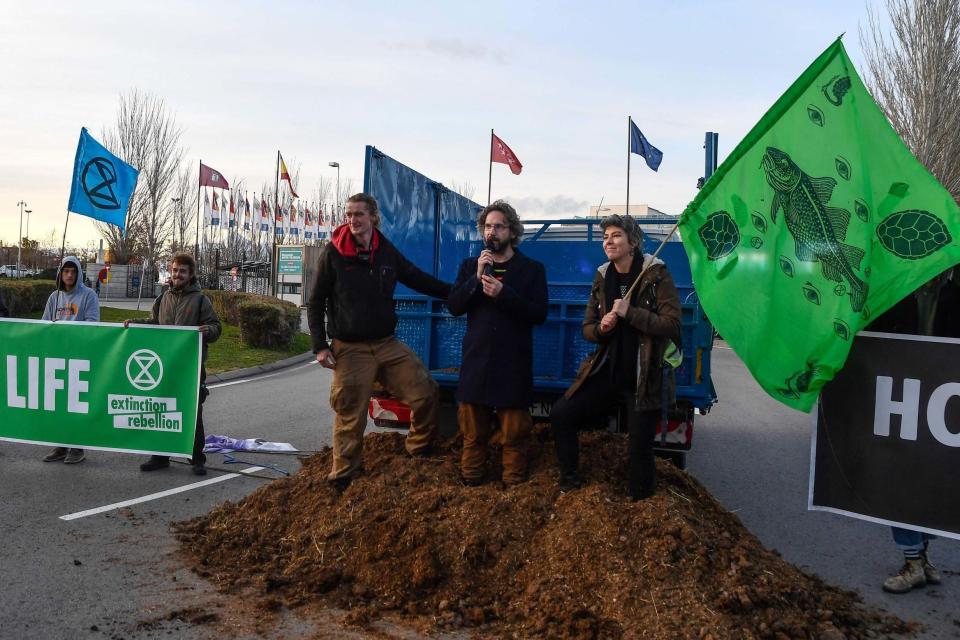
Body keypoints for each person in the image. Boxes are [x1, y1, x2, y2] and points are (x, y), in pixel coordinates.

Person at [308, 193, 451, 493]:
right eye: (349, 214)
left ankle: (417, 449)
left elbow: (417, 278)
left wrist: (456, 293)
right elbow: (316, 300)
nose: (353, 220)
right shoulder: (333, 253)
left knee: (426, 392)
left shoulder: (385, 251)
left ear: (373, 216)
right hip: (350, 348)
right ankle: (343, 478)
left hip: (386, 344)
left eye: (359, 214)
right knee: (350, 414)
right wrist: (320, 346)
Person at [550, 214, 681, 500]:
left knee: (639, 447)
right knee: (562, 414)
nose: (609, 241)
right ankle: (570, 482)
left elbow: (671, 325)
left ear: (633, 242)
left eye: (616, 235)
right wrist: (601, 328)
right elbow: (587, 328)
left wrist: (629, 313)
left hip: (642, 375)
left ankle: (640, 500)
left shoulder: (656, 273)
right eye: (605, 236)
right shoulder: (602, 274)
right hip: (608, 370)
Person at [447, 200, 548, 486]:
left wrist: (506, 294)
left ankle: (514, 489)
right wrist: (476, 280)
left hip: (512, 363)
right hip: (476, 361)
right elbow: (454, 306)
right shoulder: (471, 266)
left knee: (515, 434)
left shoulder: (531, 269)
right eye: (488, 226)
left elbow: (539, 314)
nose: (492, 232)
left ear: (512, 231)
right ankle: (471, 483)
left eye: (499, 226)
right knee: (472, 433)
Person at [867, 274, 955, 594]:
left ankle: (922, 558)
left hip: (941, 404)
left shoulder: (951, 294)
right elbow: (871, 336)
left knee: (931, 482)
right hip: (902, 399)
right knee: (900, 478)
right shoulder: (896, 289)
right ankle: (913, 560)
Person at [124, 253, 221, 476]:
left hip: (190, 368)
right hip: (164, 366)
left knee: (192, 413)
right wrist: (133, 324)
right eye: (175, 270)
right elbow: (154, 323)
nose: (178, 275)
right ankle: (160, 457)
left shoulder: (200, 300)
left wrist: (210, 331)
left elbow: (215, 326)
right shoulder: (162, 299)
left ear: (191, 274)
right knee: (161, 410)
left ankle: (197, 459)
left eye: (183, 271)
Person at [41, 256, 101, 465]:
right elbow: (44, 325)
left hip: (79, 358)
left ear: (78, 273)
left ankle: (77, 447)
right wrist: (52, 327)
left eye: (73, 271)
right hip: (57, 358)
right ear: (60, 273)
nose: (69, 275)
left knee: (76, 404)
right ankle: (61, 444)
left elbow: (93, 324)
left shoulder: (88, 296)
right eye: (65, 271)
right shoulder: (54, 297)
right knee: (59, 403)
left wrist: (68, 330)